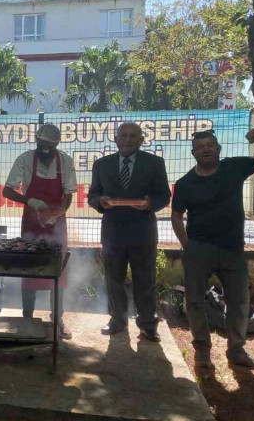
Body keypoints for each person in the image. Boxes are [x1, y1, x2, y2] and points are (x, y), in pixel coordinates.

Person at [171, 129, 254, 370]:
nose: (206, 149)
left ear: (219, 148)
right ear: (193, 153)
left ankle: (236, 350)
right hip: (199, 249)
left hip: (233, 249)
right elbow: (176, 216)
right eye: (200, 146)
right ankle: (202, 350)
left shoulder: (234, 168)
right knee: (194, 302)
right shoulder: (185, 184)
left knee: (239, 301)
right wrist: (187, 246)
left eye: (210, 144)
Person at [88, 122, 171, 342]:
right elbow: (92, 195)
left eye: (133, 135)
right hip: (113, 232)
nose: (128, 139)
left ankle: (147, 324)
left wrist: (150, 203)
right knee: (114, 279)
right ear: (115, 139)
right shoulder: (101, 165)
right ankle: (117, 320)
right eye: (123, 135)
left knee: (145, 279)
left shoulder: (154, 163)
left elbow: (164, 195)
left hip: (143, 231)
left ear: (142, 140)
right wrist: (100, 201)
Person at [3, 124, 77, 339]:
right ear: (36, 141)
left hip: (57, 223)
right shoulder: (25, 159)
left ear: (57, 144)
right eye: (41, 144)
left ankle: (58, 318)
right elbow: (7, 190)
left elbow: (69, 192)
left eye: (49, 145)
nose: (44, 149)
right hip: (31, 221)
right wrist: (29, 200)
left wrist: (61, 211)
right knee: (30, 268)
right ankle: (27, 317)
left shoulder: (65, 161)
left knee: (58, 269)